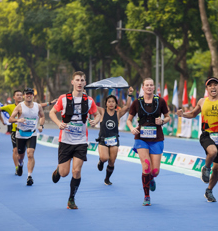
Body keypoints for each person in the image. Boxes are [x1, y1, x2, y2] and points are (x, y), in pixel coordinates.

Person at [177, 77, 218, 202]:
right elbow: (192, 114)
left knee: (217, 169)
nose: (213, 87)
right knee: (213, 152)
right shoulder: (202, 101)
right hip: (206, 135)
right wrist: (182, 114)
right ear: (207, 88)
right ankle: (206, 168)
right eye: (210, 85)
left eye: (215, 85)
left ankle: (209, 190)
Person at [49, 71, 101, 209]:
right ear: (72, 82)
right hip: (65, 140)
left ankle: (71, 199)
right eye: (77, 80)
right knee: (65, 173)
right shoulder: (63, 99)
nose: (79, 82)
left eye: (82, 80)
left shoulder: (89, 101)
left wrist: (95, 121)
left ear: (85, 83)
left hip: (81, 141)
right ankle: (58, 170)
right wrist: (58, 123)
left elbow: (97, 114)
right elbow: (51, 112)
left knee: (76, 172)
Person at [126, 78, 170, 206]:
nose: (149, 87)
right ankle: (146, 196)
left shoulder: (160, 101)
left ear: (154, 88)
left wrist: (162, 121)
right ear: (143, 88)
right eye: (147, 85)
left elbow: (167, 117)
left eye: (151, 85)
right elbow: (129, 120)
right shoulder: (136, 103)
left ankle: (151, 179)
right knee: (146, 167)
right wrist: (132, 128)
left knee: (155, 171)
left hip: (157, 138)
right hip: (141, 138)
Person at [0, 91, 56, 174]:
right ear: (14, 97)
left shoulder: (30, 104)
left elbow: (39, 106)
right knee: (16, 150)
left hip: (30, 132)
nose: (19, 96)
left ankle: (29, 174)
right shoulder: (10, 106)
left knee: (29, 153)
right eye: (18, 95)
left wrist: (50, 103)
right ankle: (17, 166)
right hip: (16, 131)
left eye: (21, 95)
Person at [96, 87, 134, 185]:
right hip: (103, 139)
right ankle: (101, 161)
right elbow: (91, 105)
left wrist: (129, 94)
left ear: (116, 104)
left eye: (113, 101)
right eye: (109, 101)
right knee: (105, 158)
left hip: (114, 140)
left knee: (112, 161)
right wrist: (84, 95)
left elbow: (127, 107)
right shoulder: (102, 111)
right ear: (106, 103)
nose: (111, 103)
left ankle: (107, 179)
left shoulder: (118, 113)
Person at [9, 88, 45, 186]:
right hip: (20, 134)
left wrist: (41, 125)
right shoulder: (20, 107)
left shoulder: (38, 106)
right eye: (27, 94)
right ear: (24, 96)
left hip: (32, 133)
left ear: (33, 95)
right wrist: (17, 120)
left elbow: (42, 116)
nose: (29, 96)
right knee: (20, 156)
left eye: (30, 94)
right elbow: (10, 119)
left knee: (30, 154)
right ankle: (20, 164)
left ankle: (29, 176)